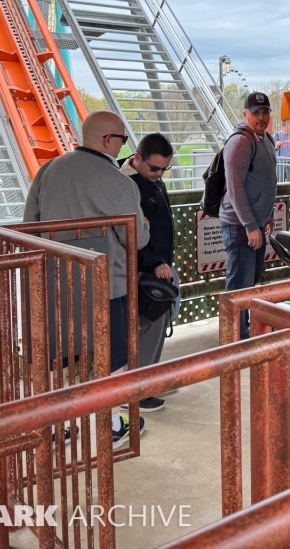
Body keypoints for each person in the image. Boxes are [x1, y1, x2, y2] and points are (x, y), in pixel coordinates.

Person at [23, 110, 148, 449]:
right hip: (106, 285)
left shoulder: (48, 171)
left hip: (54, 281)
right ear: (108, 140)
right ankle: (113, 425)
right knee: (114, 357)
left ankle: (57, 425)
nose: (123, 147)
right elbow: (137, 238)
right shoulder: (118, 182)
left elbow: (29, 222)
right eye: (122, 140)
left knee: (58, 356)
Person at [120, 133, 177, 413]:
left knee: (155, 326)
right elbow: (128, 234)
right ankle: (138, 391)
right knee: (144, 328)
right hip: (143, 269)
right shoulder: (126, 185)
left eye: (165, 169)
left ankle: (148, 381)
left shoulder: (147, 178)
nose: (159, 174)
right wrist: (154, 262)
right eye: (154, 168)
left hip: (159, 267)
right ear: (138, 158)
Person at [220, 91, 277, 338]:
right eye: (256, 113)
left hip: (255, 223)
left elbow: (266, 181)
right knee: (239, 286)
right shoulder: (240, 142)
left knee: (249, 281)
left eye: (265, 112)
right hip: (240, 226)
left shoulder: (266, 140)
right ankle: (234, 336)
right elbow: (234, 187)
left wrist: (267, 215)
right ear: (245, 114)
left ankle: (242, 331)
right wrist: (249, 225)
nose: (261, 117)